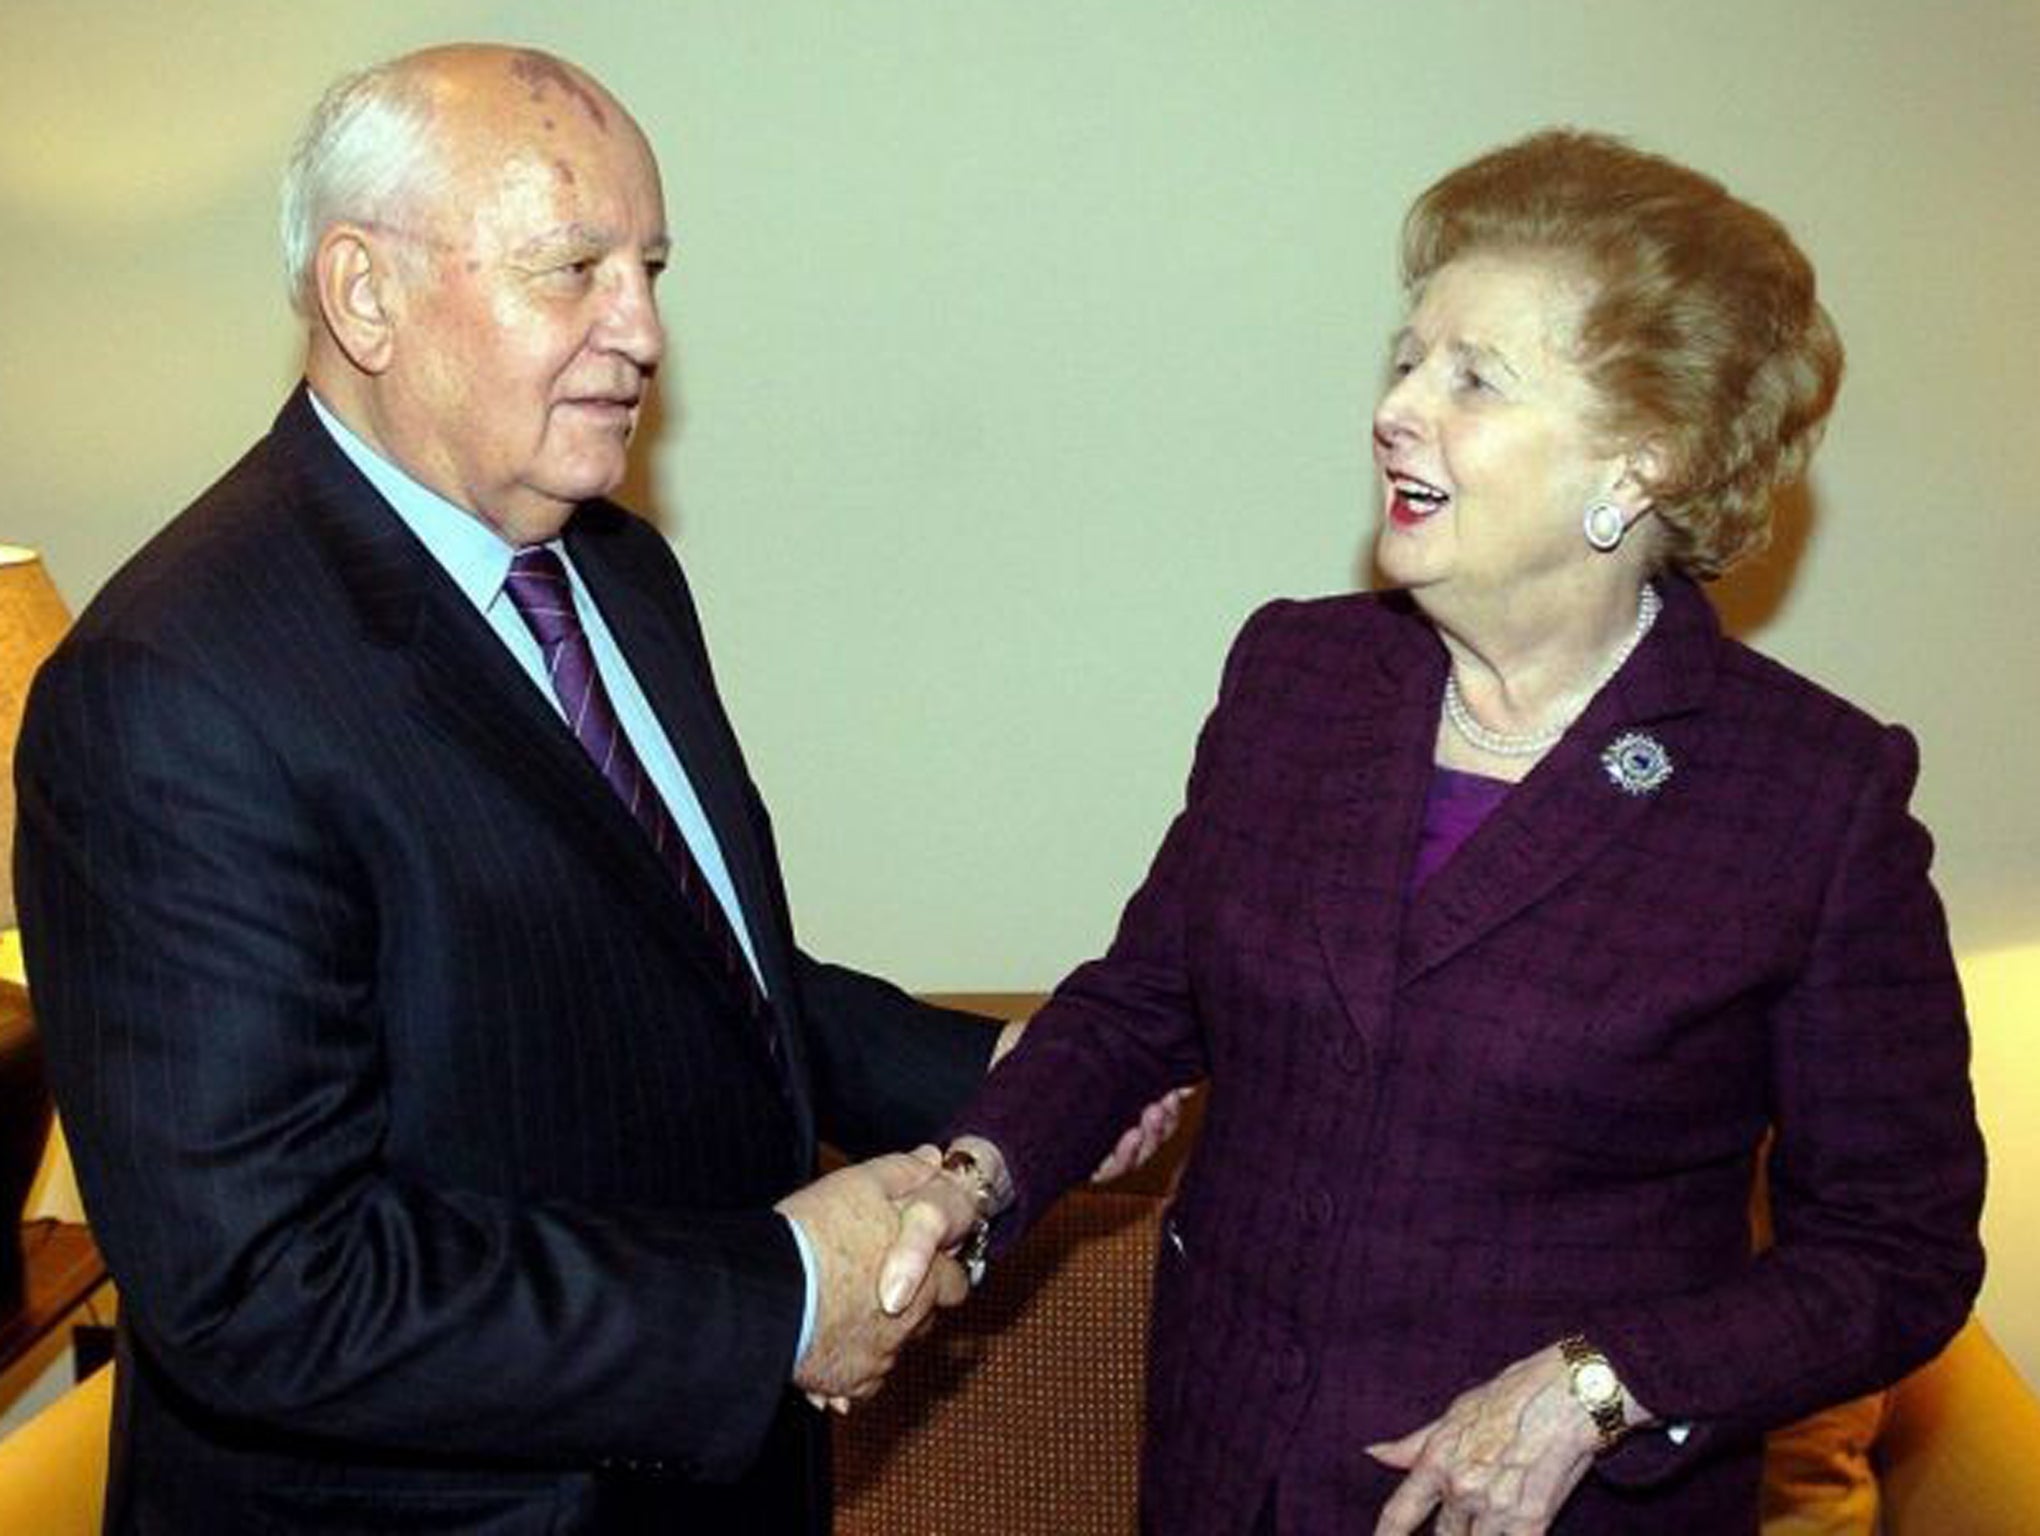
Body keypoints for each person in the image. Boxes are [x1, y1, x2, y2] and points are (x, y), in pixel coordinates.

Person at [12, 43, 1178, 1534]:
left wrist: (1018, 1071)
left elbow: (708, 985)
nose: (642, 330)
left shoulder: (614, 570)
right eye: (574, 268)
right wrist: (779, 1296)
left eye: (651, 269)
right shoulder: (173, 687)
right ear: (365, 295)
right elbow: (271, 1287)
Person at [892, 129, 1986, 1534]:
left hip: (1548, 1510)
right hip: (1228, 1473)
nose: (1397, 410)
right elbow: (1141, 1006)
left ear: (1642, 460)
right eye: (1406, 362)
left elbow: (1896, 1251)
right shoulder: (1300, 675)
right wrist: (972, 1178)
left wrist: (1605, 1387)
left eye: (1474, 379)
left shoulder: (1809, 796)